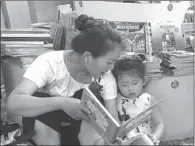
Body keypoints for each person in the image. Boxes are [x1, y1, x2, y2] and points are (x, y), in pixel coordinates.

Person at [6, 14, 123, 145]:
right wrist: (62, 103)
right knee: (43, 99)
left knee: (91, 104)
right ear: (87, 57)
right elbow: (13, 103)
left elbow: (112, 118)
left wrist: (113, 138)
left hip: (80, 136)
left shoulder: (106, 78)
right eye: (109, 62)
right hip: (47, 131)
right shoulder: (49, 63)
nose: (111, 68)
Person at [111, 55, 164, 145]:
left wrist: (155, 136)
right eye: (124, 85)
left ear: (144, 80)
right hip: (122, 142)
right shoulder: (114, 101)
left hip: (144, 140)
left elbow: (159, 123)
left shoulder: (149, 99)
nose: (130, 88)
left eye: (135, 83)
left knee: (143, 140)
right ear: (116, 84)